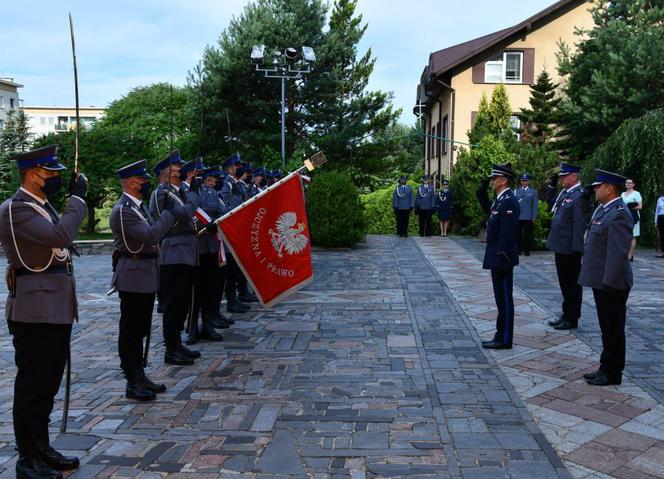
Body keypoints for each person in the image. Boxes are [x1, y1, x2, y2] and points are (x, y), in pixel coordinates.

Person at [0, 145, 87, 478]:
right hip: (33, 310)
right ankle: (27, 459)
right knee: (32, 387)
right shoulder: (15, 209)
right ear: (33, 173)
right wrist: (77, 200)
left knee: (48, 384)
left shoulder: (42, 206)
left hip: (54, 307)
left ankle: (42, 446)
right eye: (51, 173)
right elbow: (61, 235)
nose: (56, 178)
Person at [109, 160, 175, 401]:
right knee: (131, 330)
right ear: (131, 182)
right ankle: (131, 379)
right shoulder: (123, 210)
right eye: (143, 180)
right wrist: (168, 214)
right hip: (133, 275)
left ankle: (140, 374)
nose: (147, 183)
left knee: (141, 329)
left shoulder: (139, 206)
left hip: (145, 273)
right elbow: (151, 235)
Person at [578, 169, 633, 386]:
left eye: (598, 186)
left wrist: (608, 283)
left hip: (613, 282)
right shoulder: (603, 210)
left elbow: (618, 254)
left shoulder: (619, 212)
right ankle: (605, 366)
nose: (595, 189)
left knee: (613, 329)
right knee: (606, 327)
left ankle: (612, 373)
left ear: (609, 188)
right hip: (602, 280)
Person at [149, 150, 202, 366]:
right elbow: (185, 213)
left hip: (186, 253)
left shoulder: (177, 192)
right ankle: (171, 348)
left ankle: (177, 344)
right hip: (174, 253)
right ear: (165, 172)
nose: (181, 169)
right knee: (173, 303)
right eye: (176, 167)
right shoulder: (162, 193)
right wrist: (193, 194)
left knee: (182, 303)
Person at [545, 162, 593, 331]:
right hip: (561, 245)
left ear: (574, 177)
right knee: (565, 283)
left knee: (572, 284)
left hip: (570, 248)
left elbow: (580, 225)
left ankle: (572, 317)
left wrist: (576, 248)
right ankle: (566, 314)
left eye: (564, 176)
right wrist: (550, 186)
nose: (562, 179)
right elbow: (552, 205)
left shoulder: (579, 195)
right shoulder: (566, 193)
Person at [476, 163, 519, 349]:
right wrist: (483, 185)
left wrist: (501, 257)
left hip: (502, 258)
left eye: (494, 178)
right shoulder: (500, 200)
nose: (492, 181)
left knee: (505, 300)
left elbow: (508, 234)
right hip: (496, 256)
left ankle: (505, 338)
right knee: (500, 300)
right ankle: (500, 335)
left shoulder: (508, 201)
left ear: (503, 180)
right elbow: (483, 201)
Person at [183, 158, 226, 346]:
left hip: (210, 246)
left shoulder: (211, 192)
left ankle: (207, 324)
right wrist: (202, 224)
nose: (199, 175)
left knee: (210, 288)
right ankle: (192, 327)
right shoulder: (184, 192)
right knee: (194, 291)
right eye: (196, 172)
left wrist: (213, 223)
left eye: (200, 172)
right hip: (195, 247)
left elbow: (220, 211)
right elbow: (184, 213)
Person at [514, 174, 538, 256]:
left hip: (528, 216)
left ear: (528, 181)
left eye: (526, 180)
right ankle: (518, 250)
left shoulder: (533, 191)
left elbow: (535, 205)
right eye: (523, 180)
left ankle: (527, 251)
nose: (524, 182)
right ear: (520, 181)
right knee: (517, 234)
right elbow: (514, 204)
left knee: (527, 235)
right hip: (518, 216)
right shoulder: (516, 191)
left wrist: (534, 216)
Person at [621, 178, 642, 261]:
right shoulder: (622, 194)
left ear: (633, 184)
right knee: (624, 235)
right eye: (627, 183)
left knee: (632, 236)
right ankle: (625, 253)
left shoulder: (636, 193)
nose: (628, 184)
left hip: (633, 216)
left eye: (630, 183)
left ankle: (630, 255)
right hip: (624, 216)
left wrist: (630, 206)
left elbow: (640, 206)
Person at [655, 192, 664, 258]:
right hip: (660, 218)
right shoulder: (660, 199)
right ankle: (663, 252)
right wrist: (655, 222)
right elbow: (657, 211)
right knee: (662, 235)